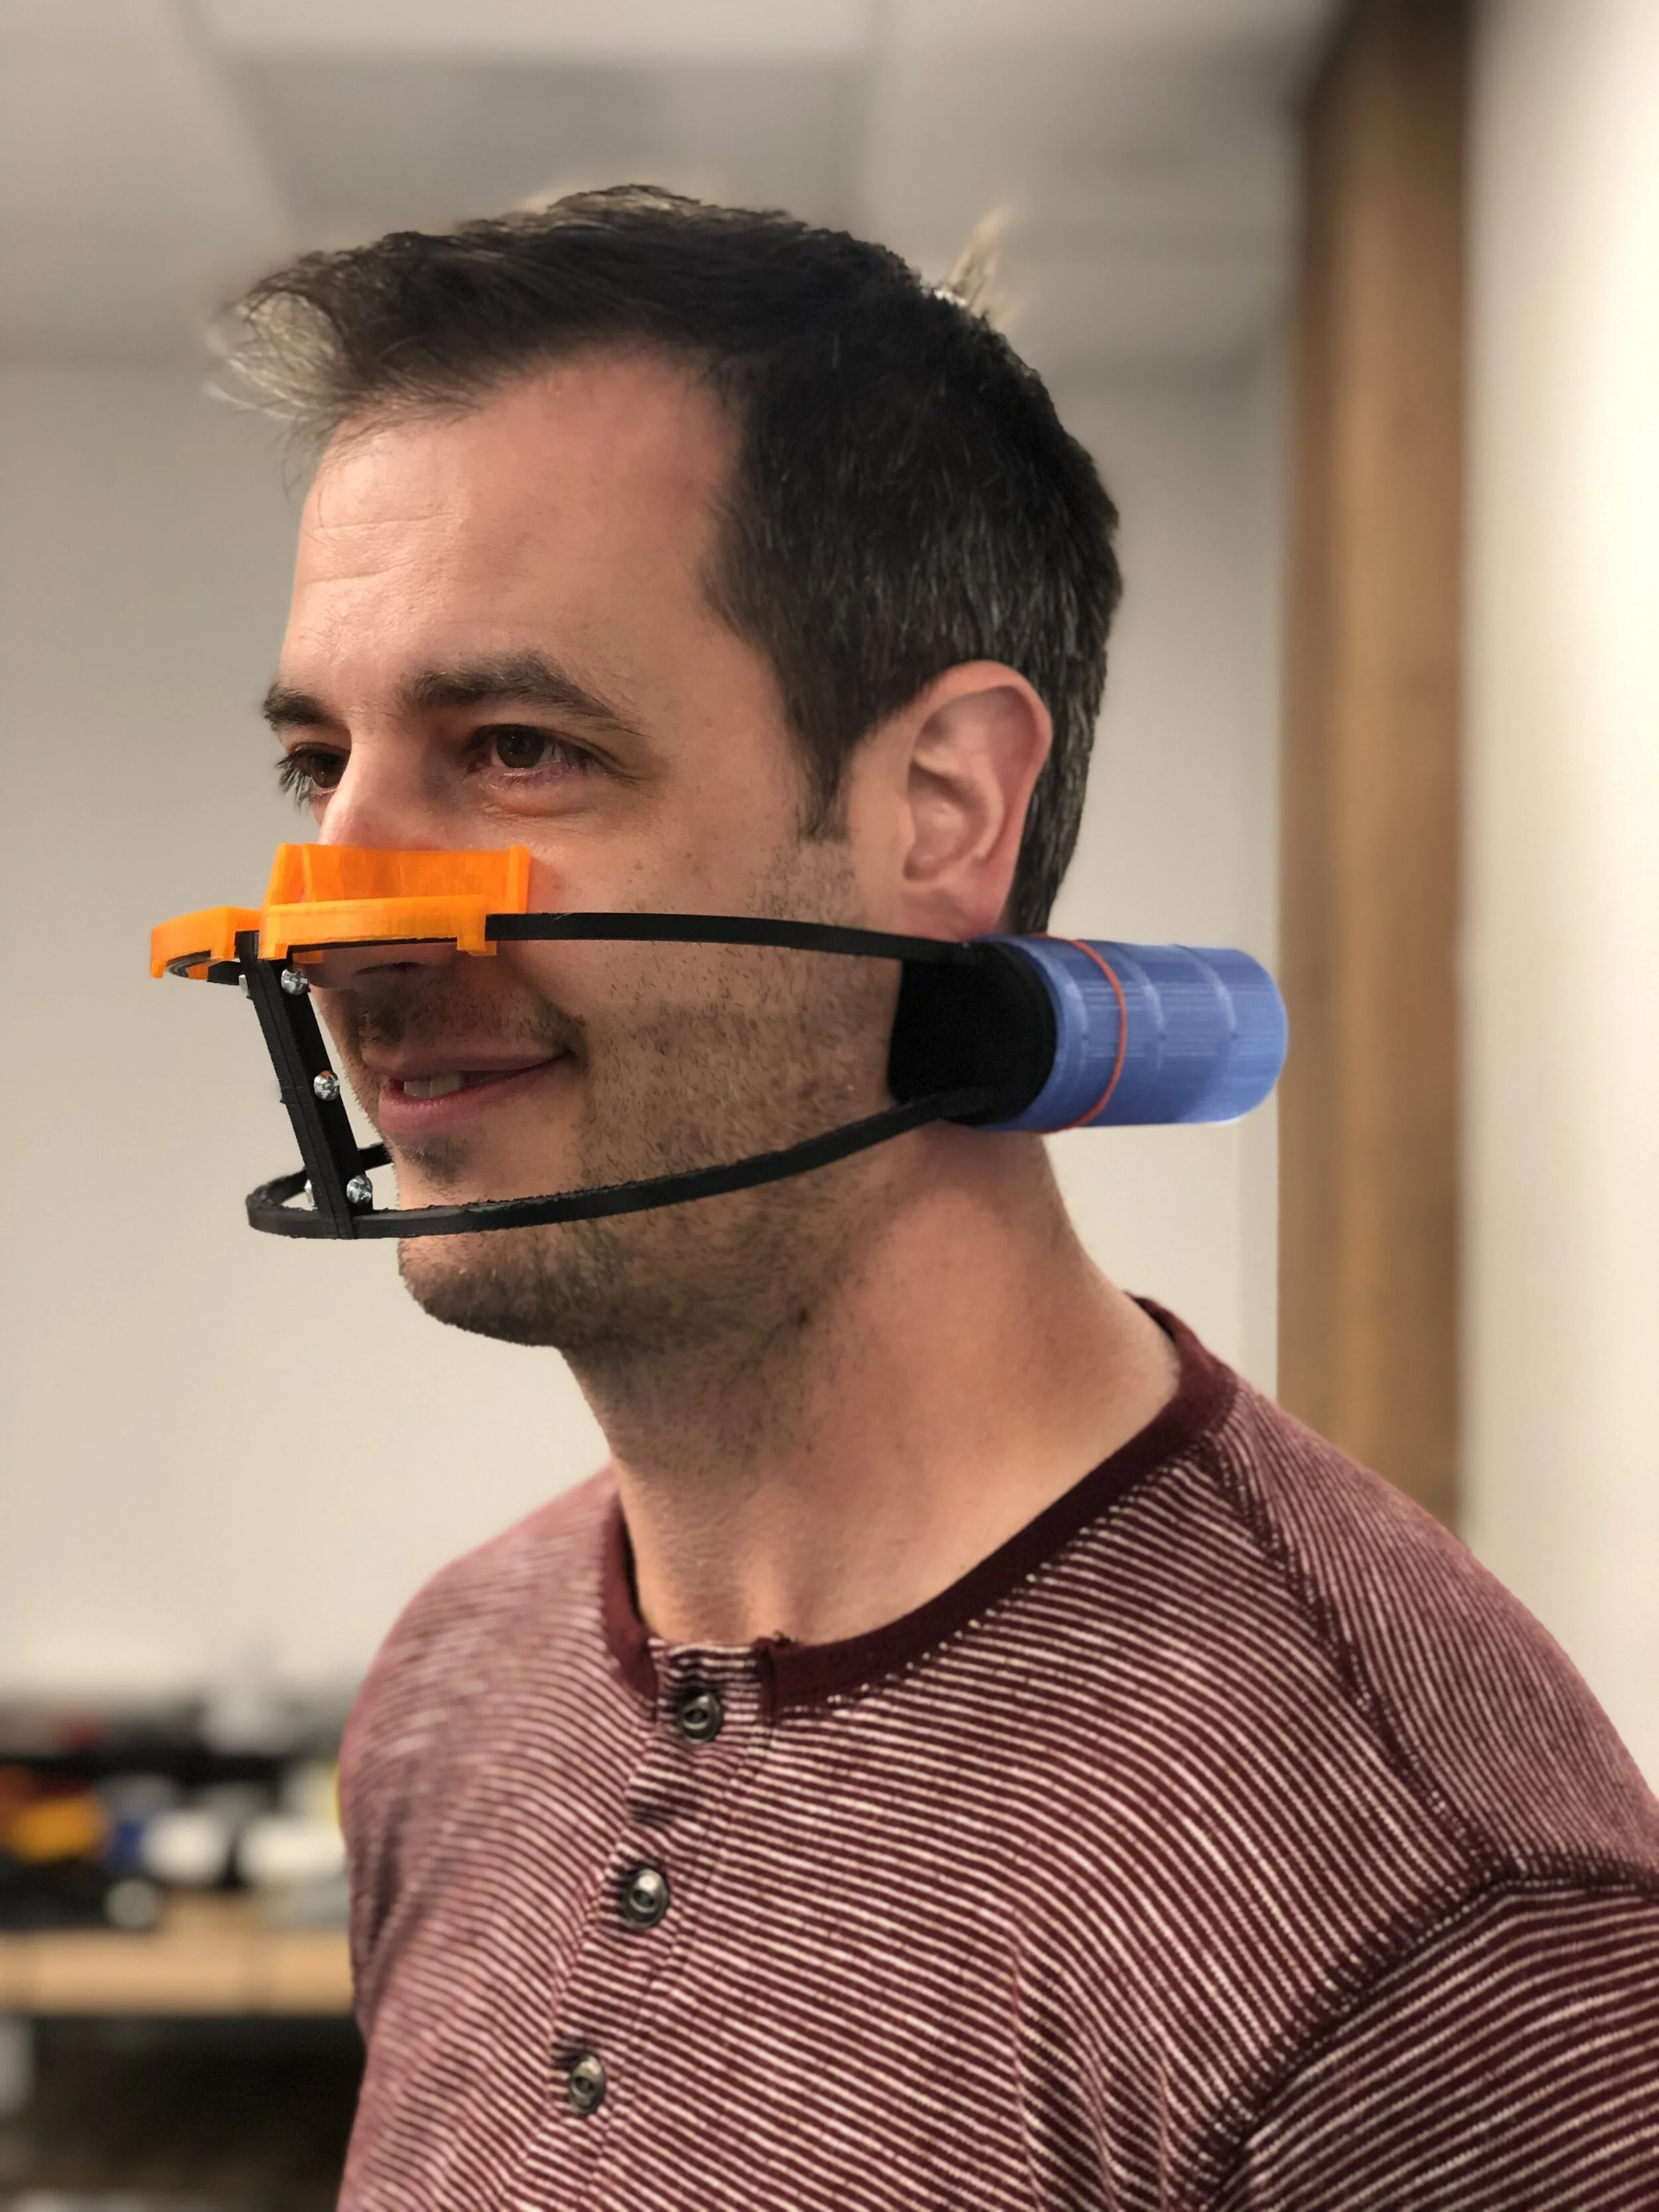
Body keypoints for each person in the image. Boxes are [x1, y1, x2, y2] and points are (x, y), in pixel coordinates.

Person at [226, 188, 1658, 2207]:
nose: (333, 917)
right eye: (319, 767)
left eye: (518, 747)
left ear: (942, 809)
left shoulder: (1422, 1925)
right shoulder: (458, 1685)